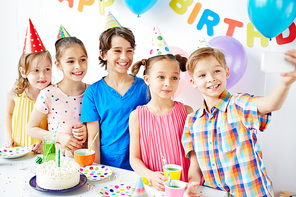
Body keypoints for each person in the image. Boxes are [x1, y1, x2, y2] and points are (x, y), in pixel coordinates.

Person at [182, 47, 296, 197]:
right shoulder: (192, 121)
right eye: (202, 75)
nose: (211, 78)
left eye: (216, 71)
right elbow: (195, 166)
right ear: (193, 82)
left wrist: (285, 83)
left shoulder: (238, 104)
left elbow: (270, 104)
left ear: (226, 72)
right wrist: (192, 184)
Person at [81, 26, 149, 170]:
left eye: (129, 51)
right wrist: (96, 171)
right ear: (103, 54)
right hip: (107, 168)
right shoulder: (93, 93)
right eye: (117, 50)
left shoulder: (146, 87)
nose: (124, 57)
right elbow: (94, 138)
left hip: (141, 168)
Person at [129, 54, 193, 191]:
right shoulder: (137, 116)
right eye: (161, 77)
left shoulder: (187, 112)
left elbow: (194, 154)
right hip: (154, 187)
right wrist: (150, 175)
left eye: (174, 78)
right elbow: (134, 159)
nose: (168, 83)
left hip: (184, 186)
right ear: (147, 79)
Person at [27, 37, 88, 157]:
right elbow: (31, 129)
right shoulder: (48, 94)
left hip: (87, 160)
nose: (78, 66)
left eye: (82, 60)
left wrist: (88, 131)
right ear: (58, 65)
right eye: (70, 61)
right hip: (59, 161)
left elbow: (103, 125)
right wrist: (59, 137)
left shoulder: (92, 92)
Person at [3, 19, 52, 153]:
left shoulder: (53, 94)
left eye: (47, 69)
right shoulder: (14, 91)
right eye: (36, 70)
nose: (43, 75)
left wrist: (47, 146)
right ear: (23, 72)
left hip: (42, 153)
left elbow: (56, 126)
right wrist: (8, 137)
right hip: (17, 150)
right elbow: (8, 113)